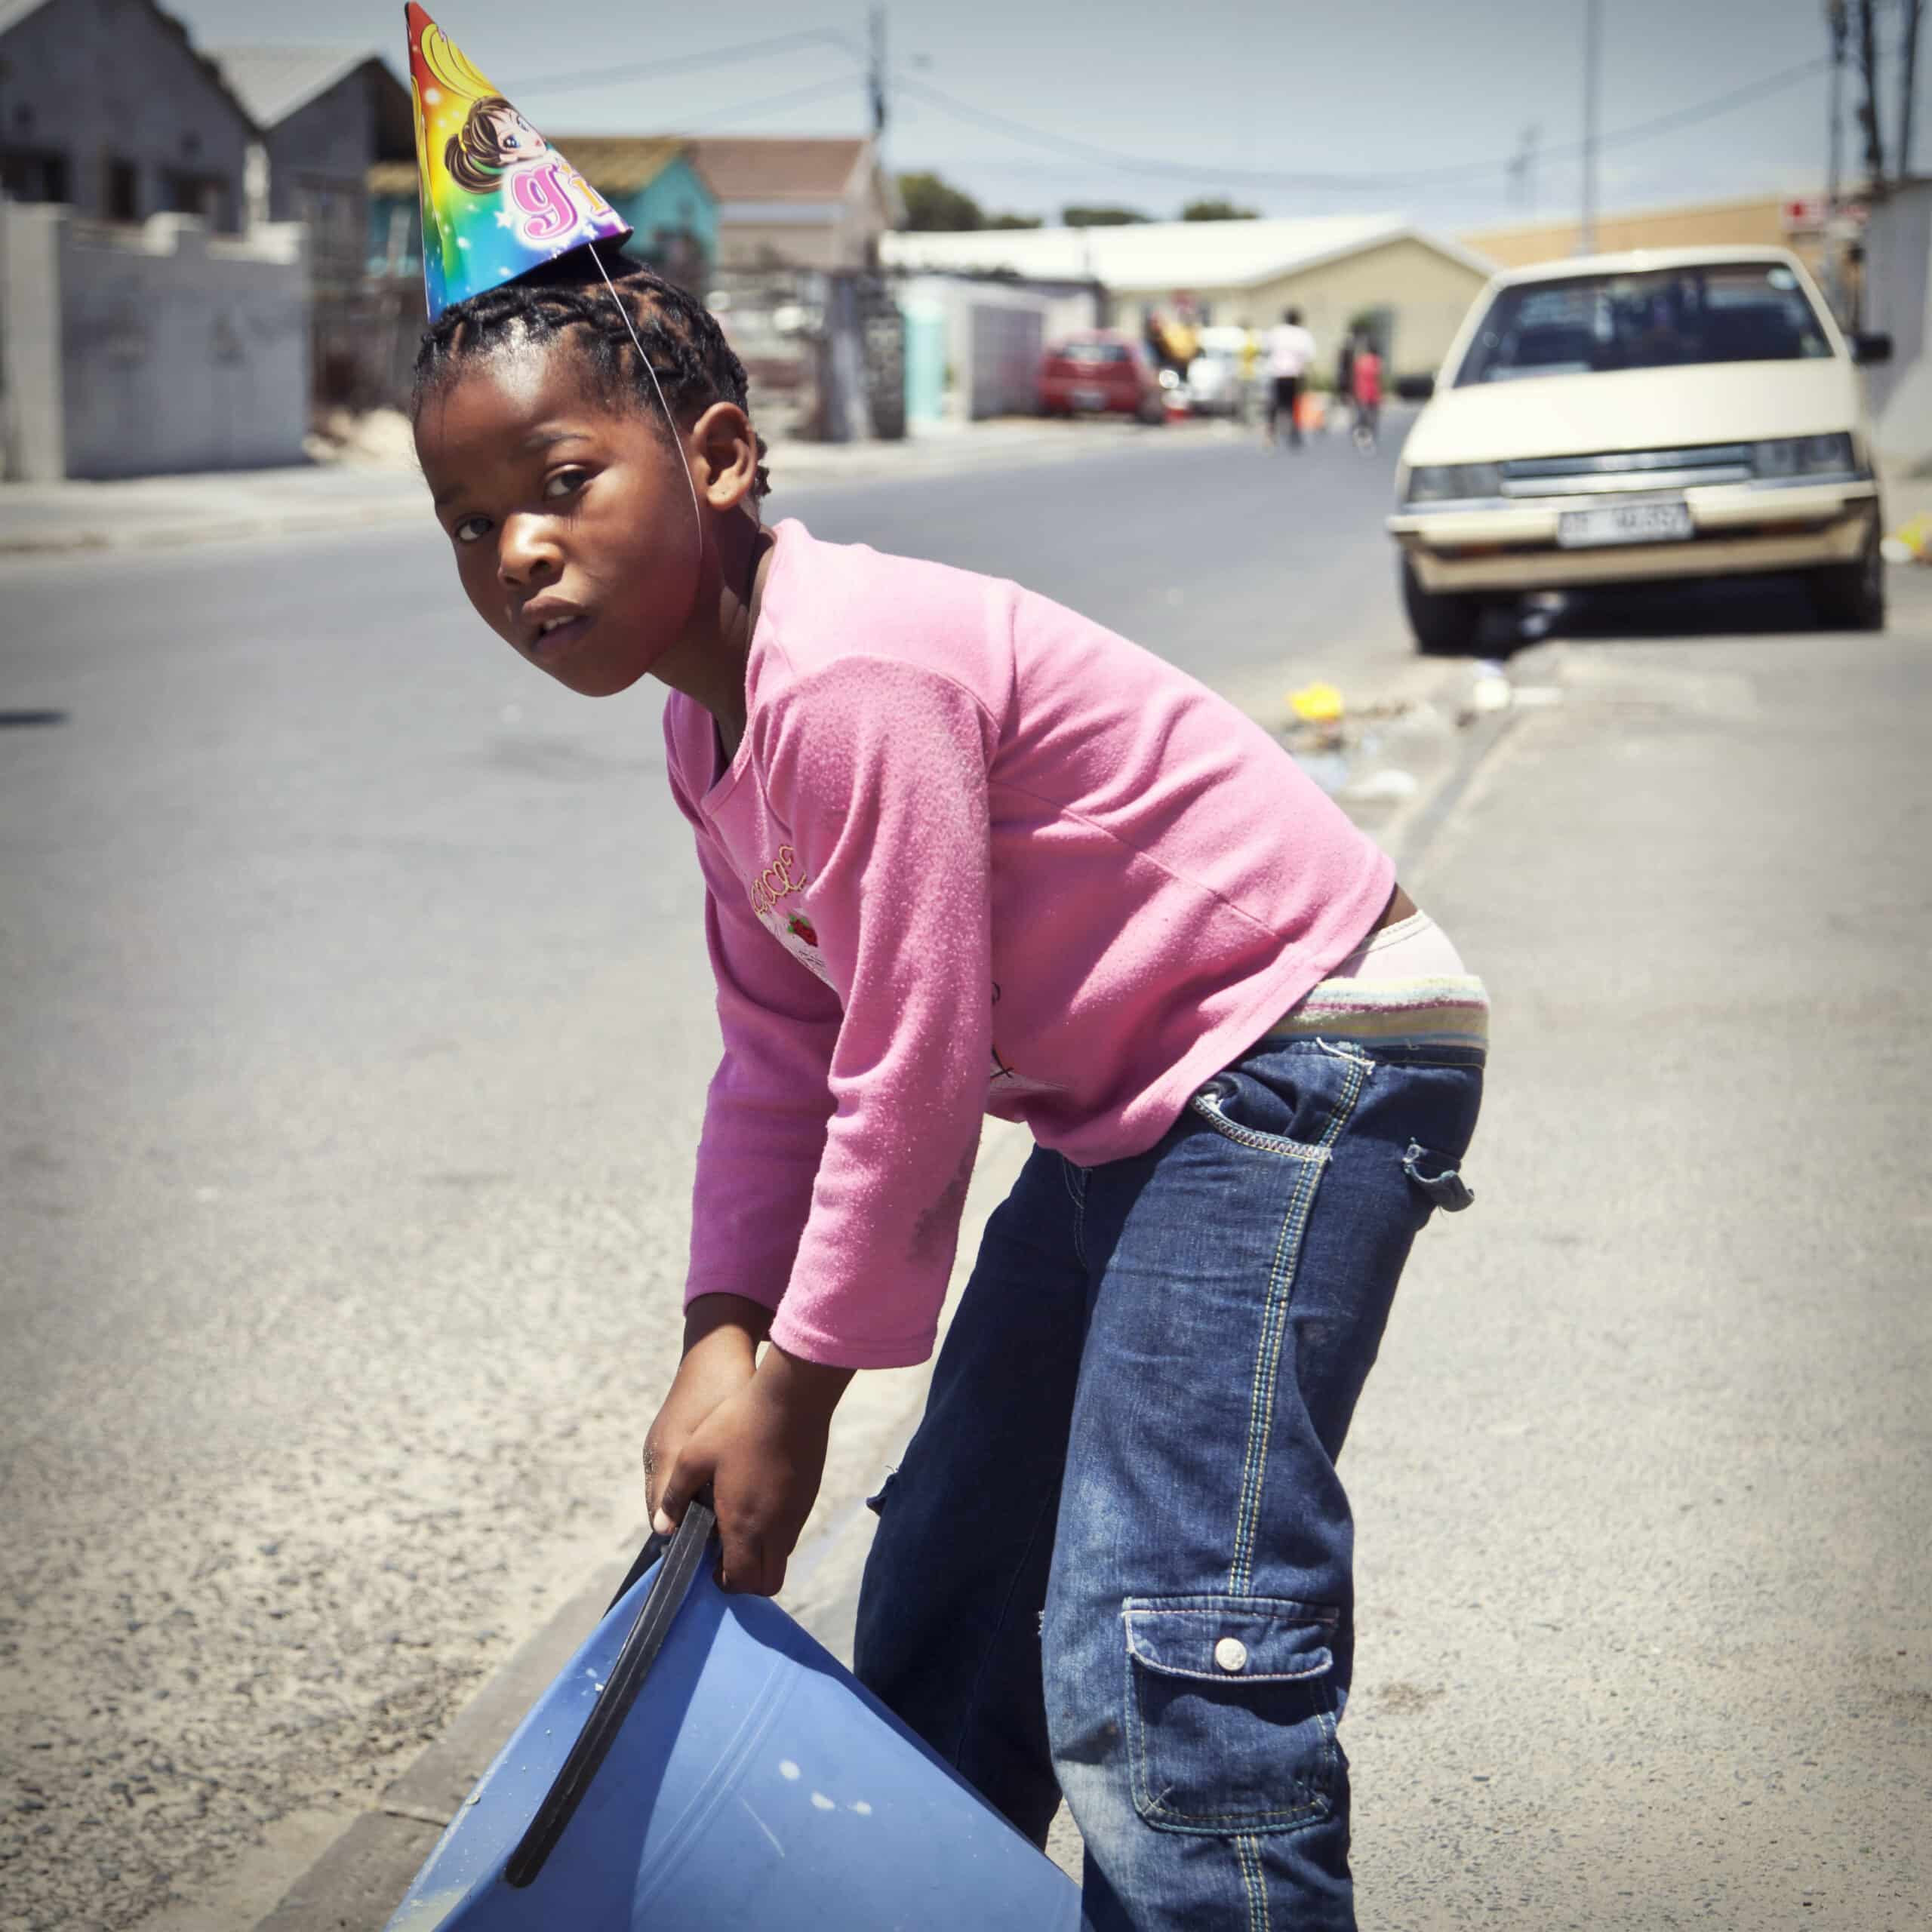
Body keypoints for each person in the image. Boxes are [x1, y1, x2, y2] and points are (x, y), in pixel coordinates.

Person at [411, 256, 1487, 1932]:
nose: (518, 551)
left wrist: (801, 1389)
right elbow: (779, 1052)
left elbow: (903, 1070)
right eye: (468, 523)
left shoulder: (846, 678)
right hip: (1130, 1100)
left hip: (1298, 1043)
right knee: (944, 1596)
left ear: (714, 459)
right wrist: (718, 1329)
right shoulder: (709, 731)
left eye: (561, 485)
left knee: (1162, 1635)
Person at [1265, 304, 1318, 449]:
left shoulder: (1277, 332)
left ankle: (1271, 434)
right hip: (1295, 375)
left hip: (1277, 374)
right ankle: (1294, 434)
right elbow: (1309, 356)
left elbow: (1267, 349)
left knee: (1275, 406)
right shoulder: (1302, 334)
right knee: (1294, 406)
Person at [1350, 338, 1383, 451]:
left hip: (1361, 393)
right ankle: (1369, 439)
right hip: (1372, 394)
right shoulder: (1376, 361)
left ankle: (1359, 437)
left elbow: (1355, 378)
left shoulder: (1360, 361)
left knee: (1361, 418)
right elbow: (1378, 377)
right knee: (1372, 419)